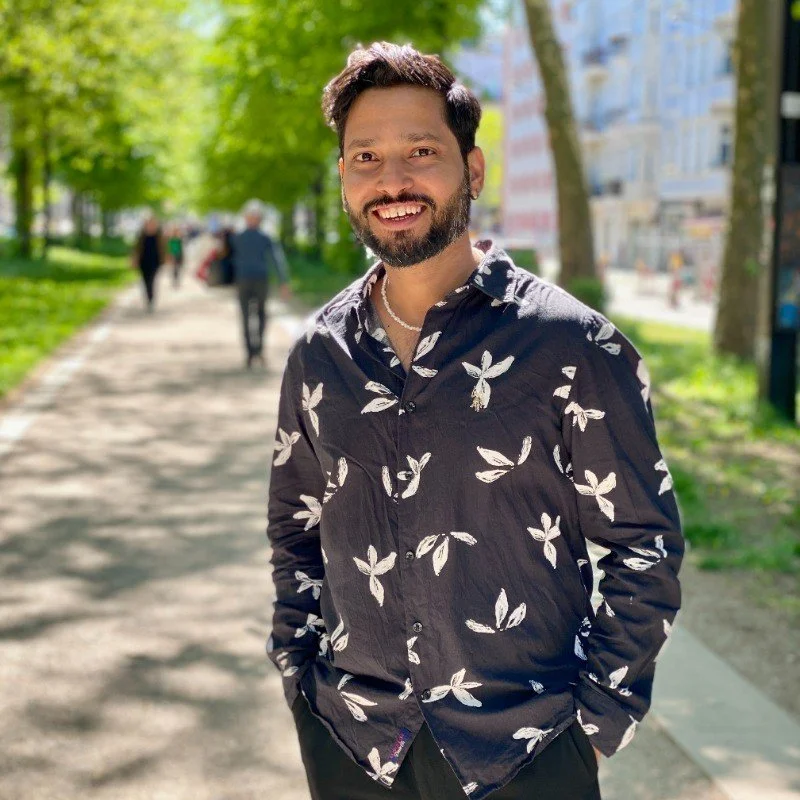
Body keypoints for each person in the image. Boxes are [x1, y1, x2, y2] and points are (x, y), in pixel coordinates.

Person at [266, 43, 683, 800]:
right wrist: (299, 679)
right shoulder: (319, 353)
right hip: (354, 743)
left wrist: (595, 720)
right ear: (343, 179)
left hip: (526, 749)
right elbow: (294, 530)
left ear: (474, 170)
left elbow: (643, 544)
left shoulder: (569, 344)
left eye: (422, 152)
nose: (393, 181)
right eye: (366, 157)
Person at [232, 200, 291, 368]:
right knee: (245, 316)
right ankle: (249, 353)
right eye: (250, 216)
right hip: (242, 280)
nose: (253, 219)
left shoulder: (265, 237)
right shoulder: (238, 237)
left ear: (259, 219)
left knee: (261, 315)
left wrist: (283, 282)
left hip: (260, 279)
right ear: (245, 217)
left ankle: (259, 350)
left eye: (256, 216)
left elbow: (277, 259)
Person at [131, 214, 165, 312]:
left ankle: (151, 299)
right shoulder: (141, 235)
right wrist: (134, 259)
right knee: (145, 281)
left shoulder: (159, 235)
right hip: (143, 262)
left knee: (152, 280)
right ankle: (148, 298)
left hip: (155, 262)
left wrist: (165, 258)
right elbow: (136, 248)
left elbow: (163, 248)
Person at [166, 223, 185, 288]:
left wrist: (182, 256)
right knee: (174, 268)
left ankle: (176, 280)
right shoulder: (170, 239)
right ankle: (174, 281)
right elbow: (168, 247)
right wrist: (168, 256)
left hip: (178, 255)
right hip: (172, 255)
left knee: (177, 268)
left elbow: (181, 248)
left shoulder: (179, 239)